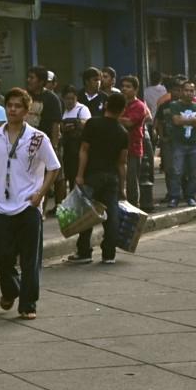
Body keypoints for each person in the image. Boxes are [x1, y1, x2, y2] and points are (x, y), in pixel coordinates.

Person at [0, 89, 59, 319]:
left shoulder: (38, 138)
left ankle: (28, 304)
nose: (12, 109)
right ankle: (11, 289)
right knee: (3, 255)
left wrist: (40, 193)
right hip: (1, 207)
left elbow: (54, 167)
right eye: (9, 105)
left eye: (18, 106)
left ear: (26, 111)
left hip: (28, 206)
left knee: (30, 259)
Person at [67, 91, 130, 265]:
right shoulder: (123, 132)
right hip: (111, 178)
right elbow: (122, 163)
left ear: (106, 106)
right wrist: (123, 188)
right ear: (122, 110)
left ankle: (84, 252)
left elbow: (84, 150)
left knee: (86, 214)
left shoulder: (92, 124)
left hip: (91, 176)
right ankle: (109, 254)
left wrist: (79, 175)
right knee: (111, 217)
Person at [162, 79, 196, 207]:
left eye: (191, 91)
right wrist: (193, 120)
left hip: (194, 143)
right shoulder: (174, 105)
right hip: (178, 143)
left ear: (195, 92)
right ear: (181, 91)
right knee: (176, 172)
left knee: (193, 173)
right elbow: (176, 121)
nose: (188, 93)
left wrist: (185, 120)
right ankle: (174, 197)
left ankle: (191, 197)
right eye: (186, 90)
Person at [119, 76, 151, 208]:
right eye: (123, 86)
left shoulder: (139, 106)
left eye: (128, 86)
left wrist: (114, 117)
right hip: (118, 148)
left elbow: (129, 122)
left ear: (136, 89)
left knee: (132, 181)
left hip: (133, 148)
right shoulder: (120, 103)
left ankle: (134, 208)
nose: (124, 89)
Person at [57, 86, 90, 199]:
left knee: (76, 176)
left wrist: (76, 124)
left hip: (77, 147)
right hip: (65, 147)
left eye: (72, 98)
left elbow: (87, 124)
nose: (70, 101)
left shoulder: (82, 109)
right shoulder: (62, 110)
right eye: (67, 98)